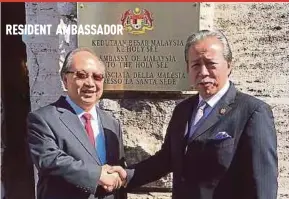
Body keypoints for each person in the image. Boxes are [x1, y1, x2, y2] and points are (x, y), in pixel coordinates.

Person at [110, 30, 278, 199]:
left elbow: (263, 184)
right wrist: (128, 175)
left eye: (211, 64)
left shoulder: (252, 112)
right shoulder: (183, 110)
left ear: (229, 65)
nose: (203, 72)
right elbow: (167, 158)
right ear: (187, 68)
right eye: (196, 65)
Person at [27, 48, 126, 199]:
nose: (90, 83)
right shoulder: (43, 119)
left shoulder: (111, 124)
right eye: (81, 75)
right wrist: (97, 174)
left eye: (97, 77)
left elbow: (116, 172)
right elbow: (49, 160)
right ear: (65, 80)